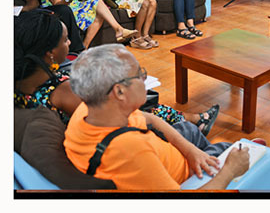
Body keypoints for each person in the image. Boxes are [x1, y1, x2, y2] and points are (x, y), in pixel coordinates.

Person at [63, 45, 251, 190]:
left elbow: (151, 119)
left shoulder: (89, 109)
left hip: (170, 153)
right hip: (182, 175)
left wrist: (190, 151)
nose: (145, 80)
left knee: (189, 129)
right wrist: (230, 170)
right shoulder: (129, 150)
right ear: (119, 91)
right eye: (140, 74)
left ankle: (203, 146)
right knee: (233, 152)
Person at [14, 9, 219, 133]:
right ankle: (195, 124)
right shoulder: (63, 92)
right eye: (66, 40)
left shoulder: (21, 81)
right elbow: (111, 120)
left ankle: (195, 120)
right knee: (148, 104)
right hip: (119, 131)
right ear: (50, 52)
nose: (69, 43)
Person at [16, 0, 85, 54]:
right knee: (64, 9)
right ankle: (77, 51)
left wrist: (24, 9)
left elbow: (33, 0)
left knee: (95, 2)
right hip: (18, 15)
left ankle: (80, 50)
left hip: (30, 10)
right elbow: (57, 3)